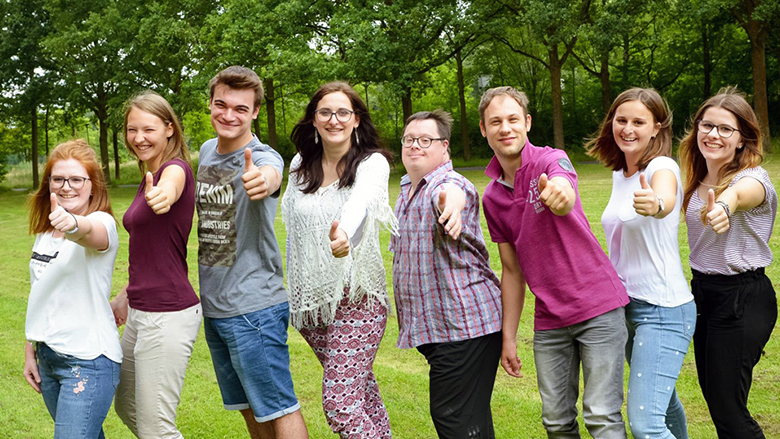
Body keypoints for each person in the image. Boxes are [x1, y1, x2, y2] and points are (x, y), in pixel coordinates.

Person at [479, 86, 630, 439]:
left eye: (513, 119)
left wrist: (560, 195)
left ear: (527, 122)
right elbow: (512, 271)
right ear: (484, 130)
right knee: (557, 422)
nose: (506, 128)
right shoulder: (492, 197)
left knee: (602, 416)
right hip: (549, 321)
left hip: (598, 309)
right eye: (495, 122)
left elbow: (563, 188)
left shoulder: (550, 160)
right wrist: (509, 338)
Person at [196, 66, 308, 439]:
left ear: (255, 112)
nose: (228, 115)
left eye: (240, 109)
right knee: (249, 409)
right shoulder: (207, 151)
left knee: (279, 406)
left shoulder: (262, 156)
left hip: (253, 306)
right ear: (210, 104)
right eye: (220, 105)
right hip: (215, 305)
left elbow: (272, 173)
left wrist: (265, 180)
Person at [281, 81, 394, 439]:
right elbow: (291, 219)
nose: (334, 120)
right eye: (325, 112)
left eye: (343, 112)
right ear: (314, 120)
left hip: (357, 298)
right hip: (312, 306)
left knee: (340, 404)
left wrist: (345, 234)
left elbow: (360, 203)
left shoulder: (372, 163)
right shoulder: (301, 164)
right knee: (360, 396)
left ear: (356, 119)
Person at [587, 88, 695, 439]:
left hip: (663, 310)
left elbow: (663, 198)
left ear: (657, 127)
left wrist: (658, 203)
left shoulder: (662, 167)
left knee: (646, 424)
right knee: (665, 407)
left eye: (638, 122)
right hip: (626, 308)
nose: (627, 129)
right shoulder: (622, 174)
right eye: (621, 120)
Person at [390, 109, 503, 438]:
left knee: (452, 417)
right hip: (442, 329)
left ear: (444, 147)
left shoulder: (448, 183)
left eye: (425, 140)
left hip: (465, 326)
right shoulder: (406, 191)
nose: (415, 146)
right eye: (409, 139)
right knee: (470, 418)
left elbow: (454, 194)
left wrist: (450, 206)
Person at [678, 87, 777, 439]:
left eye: (725, 129)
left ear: (742, 139)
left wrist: (723, 206)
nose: (713, 135)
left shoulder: (753, 178)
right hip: (706, 296)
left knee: (730, 411)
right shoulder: (696, 177)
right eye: (707, 126)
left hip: (743, 298)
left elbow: (740, 193)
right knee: (719, 404)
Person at [109, 91, 201, 438]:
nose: (139, 138)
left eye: (148, 129)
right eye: (132, 130)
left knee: (156, 427)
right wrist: (125, 296)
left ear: (169, 130)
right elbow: (152, 251)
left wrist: (165, 194)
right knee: (126, 403)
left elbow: (172, 187)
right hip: (141, 311)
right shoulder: (147, 177)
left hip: (168, 314)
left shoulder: (173, 171)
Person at [24, 139, 121, 438]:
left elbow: (90, 233)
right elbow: (41, 292)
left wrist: (73, 223)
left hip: (88, 361)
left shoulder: (100, 222)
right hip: (49, 358)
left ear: (93, 185)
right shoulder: (44, 233)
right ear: (48, 183)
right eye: (58, 179)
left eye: (77, 179)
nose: (67, 186)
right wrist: (31, 348)